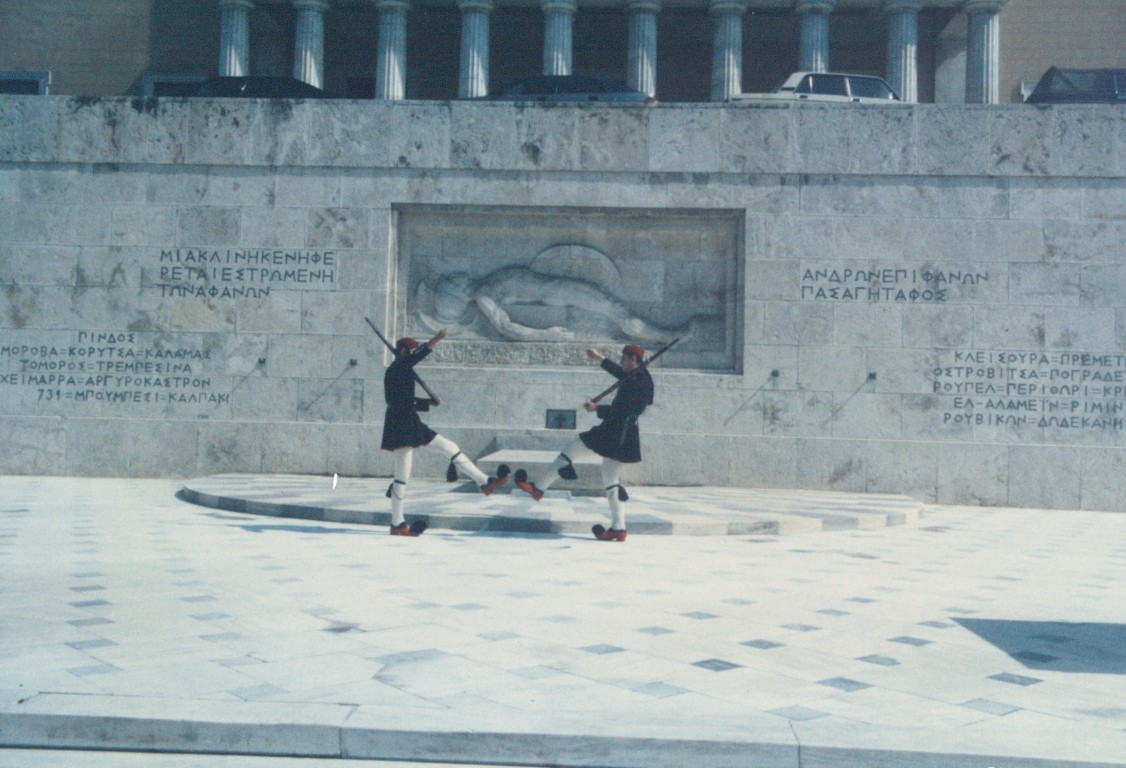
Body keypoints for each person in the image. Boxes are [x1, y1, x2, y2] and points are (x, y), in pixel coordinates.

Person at [514, 344, 654, 542]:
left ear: (633, 359)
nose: (621, 361)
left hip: (614, 431)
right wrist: (599, 358)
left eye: (624, 358)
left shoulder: (639, 382)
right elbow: (620, 374)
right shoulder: (640, 377)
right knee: (611, 479)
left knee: (572, 449)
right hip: (624, 434)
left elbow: (624, 411)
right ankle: (619, 528)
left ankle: (538, 488)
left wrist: (597, 409)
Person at [381, 328, 508, 536]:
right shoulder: (397, 368)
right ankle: (397, 524)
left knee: (450, 447)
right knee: (402, 477)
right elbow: (396, 400)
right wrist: (438, 339)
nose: (414, 354)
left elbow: (406, 398)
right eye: (411, 351)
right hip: (400, 427)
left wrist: (428, 402)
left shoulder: (402, 367)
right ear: (403, 351)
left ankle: (484, 482)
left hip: (411, 423)